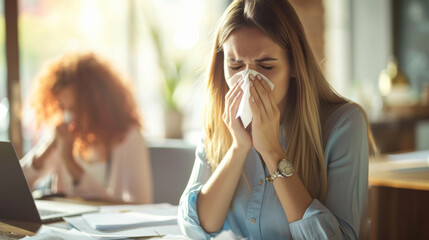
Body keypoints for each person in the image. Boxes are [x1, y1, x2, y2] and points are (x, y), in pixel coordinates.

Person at [178, 0, 377, 239]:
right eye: (235, 66)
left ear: (294, 65)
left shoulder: (344, 125)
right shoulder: (222, 119)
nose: (249, 80)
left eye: (266, 65)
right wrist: (238, 148)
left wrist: (273, 153)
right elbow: (194, 227)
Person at [20, 53, 153, 204]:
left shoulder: (129, 137)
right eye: (63, 108)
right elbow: (15, 183)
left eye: (75, 108)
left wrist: (70, 162)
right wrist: (48, 148)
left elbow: (141, 205)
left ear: (97, 105)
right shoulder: (63, 134)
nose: (68, 117)